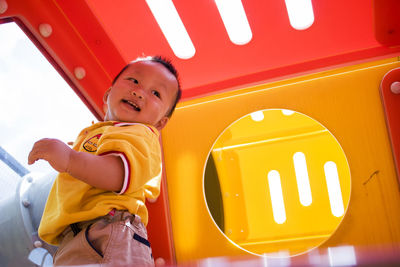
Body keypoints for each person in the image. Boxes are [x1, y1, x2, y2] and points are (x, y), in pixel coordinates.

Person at [28, 55, 181, 266]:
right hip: (78, 236)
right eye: (134, 81)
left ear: (160, 123)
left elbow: (118, 174)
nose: (138, 92)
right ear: (108, 94)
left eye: (156, 93)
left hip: (109, 229)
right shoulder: (101, 134)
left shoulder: (141, 134)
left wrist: (70, 159)